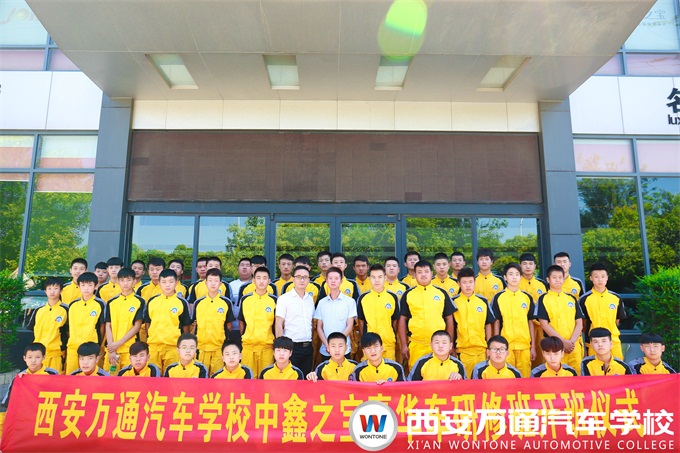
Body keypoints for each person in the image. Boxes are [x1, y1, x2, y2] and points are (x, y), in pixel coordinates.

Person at [398, 260, 456, 369]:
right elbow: (402, 320)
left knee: (439, 373)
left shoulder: (441, 293)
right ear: (415, 275)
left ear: (431, 273)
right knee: (416, 375)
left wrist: (449, 343)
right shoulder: (408, 294)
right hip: (416, 345)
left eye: (426, 271)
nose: (423, 274)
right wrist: (404, 345)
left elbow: (449, 319)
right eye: (419, 272)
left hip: (439, 345)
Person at [535, 265, 585, 374]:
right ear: (548, 279)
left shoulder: (571, 298)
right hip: (554, 348)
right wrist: (562, 342)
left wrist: (571, 342)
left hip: (574, 346)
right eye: (554, 277)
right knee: (556, 376)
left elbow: (579, 323)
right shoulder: (543, 299)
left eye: (560, 277)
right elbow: (544, 324)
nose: (557, 280)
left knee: (576, 375)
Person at [491, 263, 536, 377]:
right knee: (506, 377)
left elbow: (530, 322)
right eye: (511, 274)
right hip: (505, 347)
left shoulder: (527, 297)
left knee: (524, 378)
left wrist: (533, 347)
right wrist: (496, 346)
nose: (514, 277)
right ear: (505, 277)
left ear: (521, 277)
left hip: (524, 346)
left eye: (517, 274)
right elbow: (497, 322)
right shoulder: (499, 297)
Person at [144, 269, 192, 373]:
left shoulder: (181, 302)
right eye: (164, 282)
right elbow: (147, 322)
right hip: (154, 346)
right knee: (153, 375)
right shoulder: (152, 301)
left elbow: (185, 326)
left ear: (176, 282)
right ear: (159, 283)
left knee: (171, 376)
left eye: (171, 281)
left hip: (173, 347)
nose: (167, 285)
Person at [452, 267, 495, 377]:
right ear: (458, 284)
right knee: (464, 382)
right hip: (462, 351)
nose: (468, 285)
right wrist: (452, 348)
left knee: (482, 381)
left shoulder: (482, 301)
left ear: (475, 283)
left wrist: (489, 347)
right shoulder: (454, 302)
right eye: (464, 282)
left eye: (470, 282)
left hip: (481, 350)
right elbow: (451, 326)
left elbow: (488, 324)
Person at [193, 268, 235, 375]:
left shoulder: (226, 302)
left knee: (218, 376)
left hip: (218, 348)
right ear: (206, 283)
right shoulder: (198, 303)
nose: (213, 283)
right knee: (201, 376)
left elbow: (229, 325)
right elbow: (194, 324)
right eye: (210, 280)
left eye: (216, 281)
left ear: (220, 283)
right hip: (201, 348)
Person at [275, 265, 316, 375]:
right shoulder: (284, 299)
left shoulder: (310, 299)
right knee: (290, 378)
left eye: (305, 277)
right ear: (293, 279)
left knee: (306, 379)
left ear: (309, 280)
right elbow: (278, 323)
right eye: (299, 277)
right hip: (291, 347)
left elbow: (311, 323)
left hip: (308, 347)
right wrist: (281, 347)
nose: (302, 280)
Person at [580, 263, 626, 359]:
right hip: (594, 341)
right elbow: (583, 322)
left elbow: (617, 320)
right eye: (596, 277)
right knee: (594, 366)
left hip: (613, 340)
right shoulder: (584, 299)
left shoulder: (616, 298)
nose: (600, 280)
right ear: (591, 278)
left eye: (603, 276)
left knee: (617, 366)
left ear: (607, 278)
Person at [105, 267, 144, 374]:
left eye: (128, 280)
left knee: (128, 379)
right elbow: (108, 325)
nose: (125, 283)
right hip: (112, 350)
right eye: (122, 280)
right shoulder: (112, 302)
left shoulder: (139, 301)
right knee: (110, 379)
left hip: (130, 349)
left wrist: (119, 343)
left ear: (134, 281)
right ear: (118, 281)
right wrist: (112, 348)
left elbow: (137, 326)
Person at [239, 266, 277, 377]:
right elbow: (241, 321)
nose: (261, 281)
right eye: (258, 278)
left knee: (265, 378)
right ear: (253, 280)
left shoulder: (274, 300)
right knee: (248, 378)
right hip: (248, 347)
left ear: (269, 281)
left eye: (264, 278)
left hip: (267, 347)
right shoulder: (246, 299)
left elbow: (277, 324)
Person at [357, 264, 400, 360]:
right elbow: (361, 321)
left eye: (380, 277)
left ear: (385, 278)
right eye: (373, 277)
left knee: (389, 367)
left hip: (388, 343)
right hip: (370, 344)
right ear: (369, 278)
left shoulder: (392, 297)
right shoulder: (363, 298)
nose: (376, 280)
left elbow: (395, 320)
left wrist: (391, 335)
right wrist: (364, 338)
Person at [66, 272, 106, 374]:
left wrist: (99, 345)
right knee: (71, 375)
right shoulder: (73, 304)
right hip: (73, 346)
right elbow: (69, 326)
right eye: (83, 285)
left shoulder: (100, 304)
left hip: (91, 346)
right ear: (79, 286)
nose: (86, 288)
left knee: (91, 375)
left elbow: (102, 326)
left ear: (96, 286)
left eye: (89, 285)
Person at [314, 266, 357, 360]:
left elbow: (349, 326)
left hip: (344, 349)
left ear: (341, 281)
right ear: (326, 281)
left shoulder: (350, 302)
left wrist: (338, 344)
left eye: (336, 278)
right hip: (326, 349)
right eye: (330, 278)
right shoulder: (322, 303)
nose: (333, 281)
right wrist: (328, 345)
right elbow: (319, 327)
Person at [27, 277, 68, 374]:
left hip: (56, 354)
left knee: (56, 380)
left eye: (55, 288)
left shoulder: (66, 309)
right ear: (45, 291)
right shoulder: (38, 310)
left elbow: (70, 332)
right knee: (38, 380)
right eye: (49, 289)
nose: (52, 291)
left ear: (61, 291)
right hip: (38, 354)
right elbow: (32, 331)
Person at [1, 343, 58, 412]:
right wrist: (21, 382)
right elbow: (8, 403)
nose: (33, 360)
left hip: (45, 410)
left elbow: (59, 396)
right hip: (26, 411)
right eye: (30, 357)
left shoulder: (52, 374)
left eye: (37, 357)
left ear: (44, 357)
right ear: (24, 358)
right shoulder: (19, 377)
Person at [518, 253, 547, 368]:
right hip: (523, 326)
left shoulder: (542, 284)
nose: (528, 266)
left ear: (535, 266)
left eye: (530, 264)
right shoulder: (516, 283)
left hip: (540, 326)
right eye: (524, 264)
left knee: (542, 358)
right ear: (520, 266)